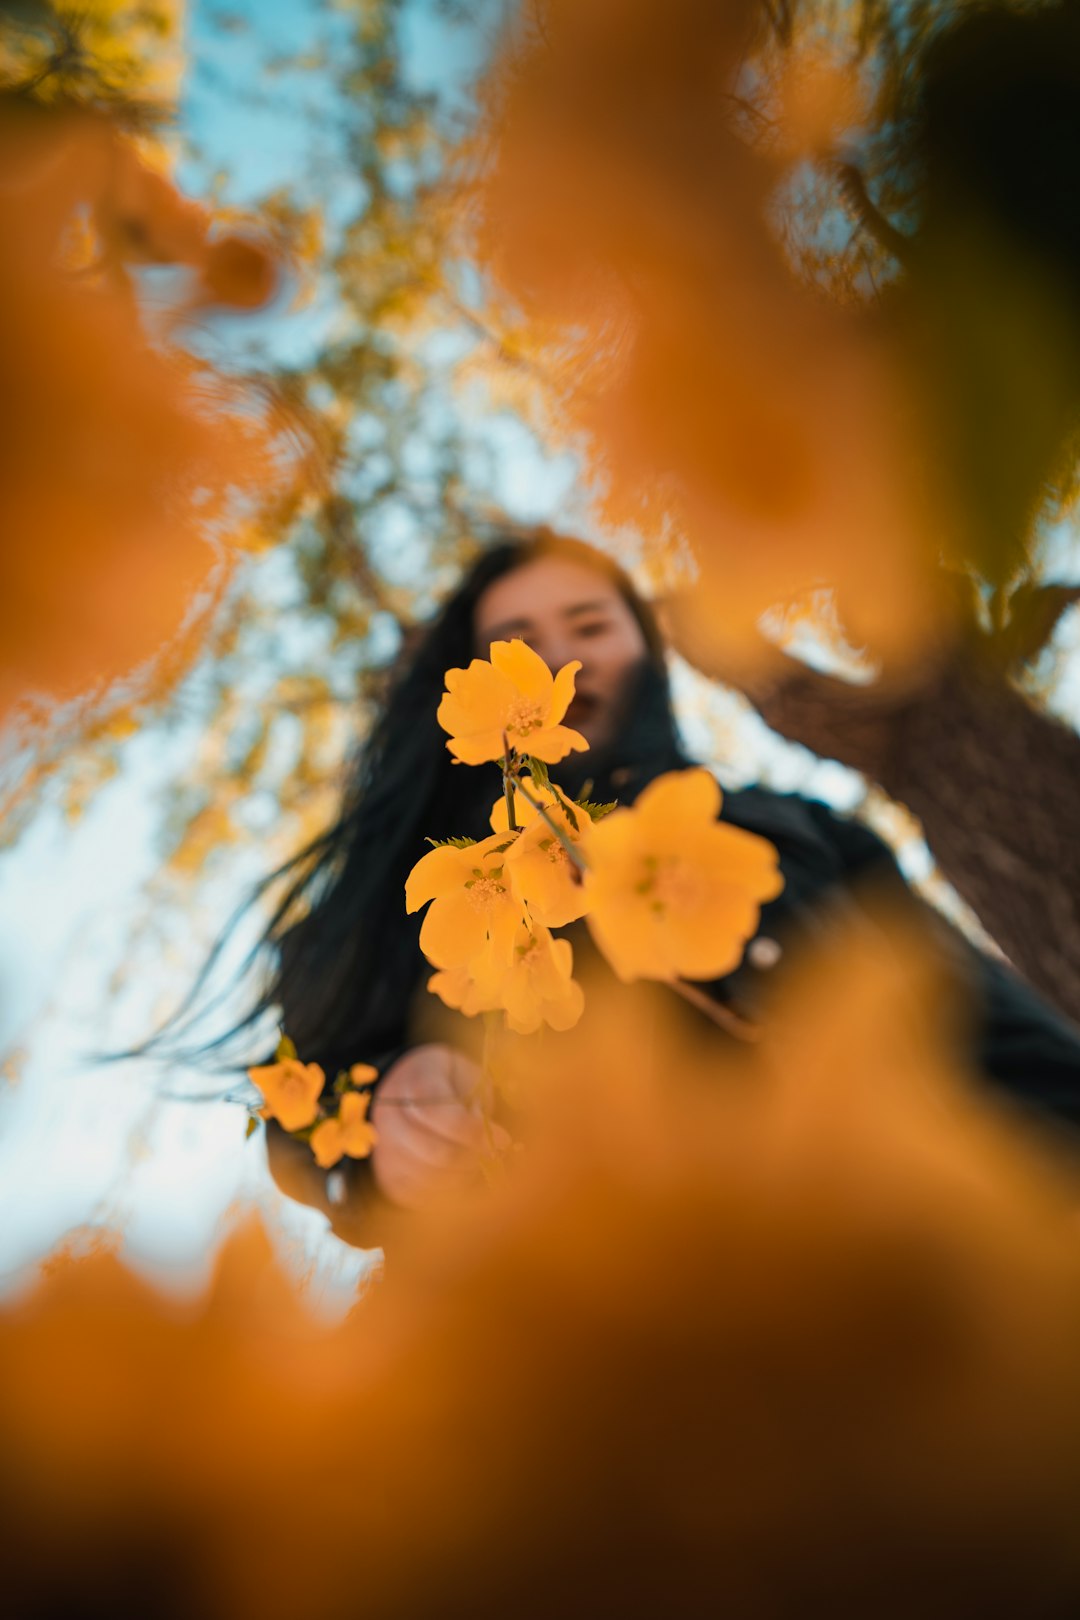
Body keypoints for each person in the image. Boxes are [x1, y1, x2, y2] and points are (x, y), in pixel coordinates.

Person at [238, 530, 1080, 1248]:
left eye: (590, 624)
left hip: (915, 1257)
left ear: (646, 653)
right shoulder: (428, 886)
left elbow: (995, 1033)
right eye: (517, 637)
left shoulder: (800, 827)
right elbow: (302, 1108)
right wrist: (386, 1115)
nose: (559, 655)